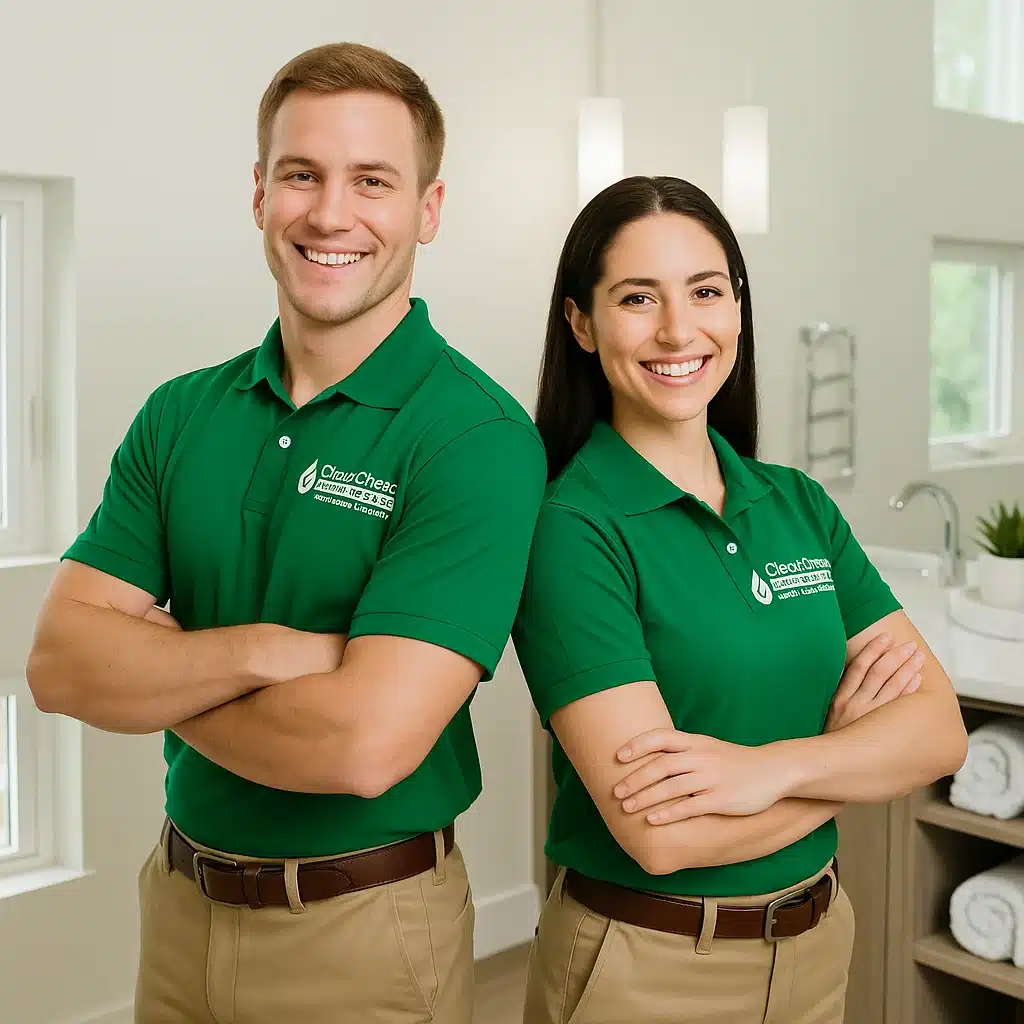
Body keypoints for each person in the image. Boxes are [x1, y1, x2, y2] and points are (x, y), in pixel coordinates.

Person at [27, 41, 546, 1024]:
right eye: (301, 174)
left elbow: (363, 745)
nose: (330, 211)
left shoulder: (475, 438)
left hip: (362, 931)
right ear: (260, 193)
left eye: (373, 180)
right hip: (180, 908)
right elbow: (60, 665)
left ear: (427, 211)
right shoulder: (181, 413)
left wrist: (151, 673)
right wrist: (270, 651)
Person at [511, 175, 968, 1024]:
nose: (679, 330)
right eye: (638, 298)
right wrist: (859, 758)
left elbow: (939, 735)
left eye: (706, 291)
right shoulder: (568, 527)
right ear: (581, 322)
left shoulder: (796, 503)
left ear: (738, 308)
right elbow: (664, 835)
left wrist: (770, 770)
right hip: (646, 968)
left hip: (817, 943)